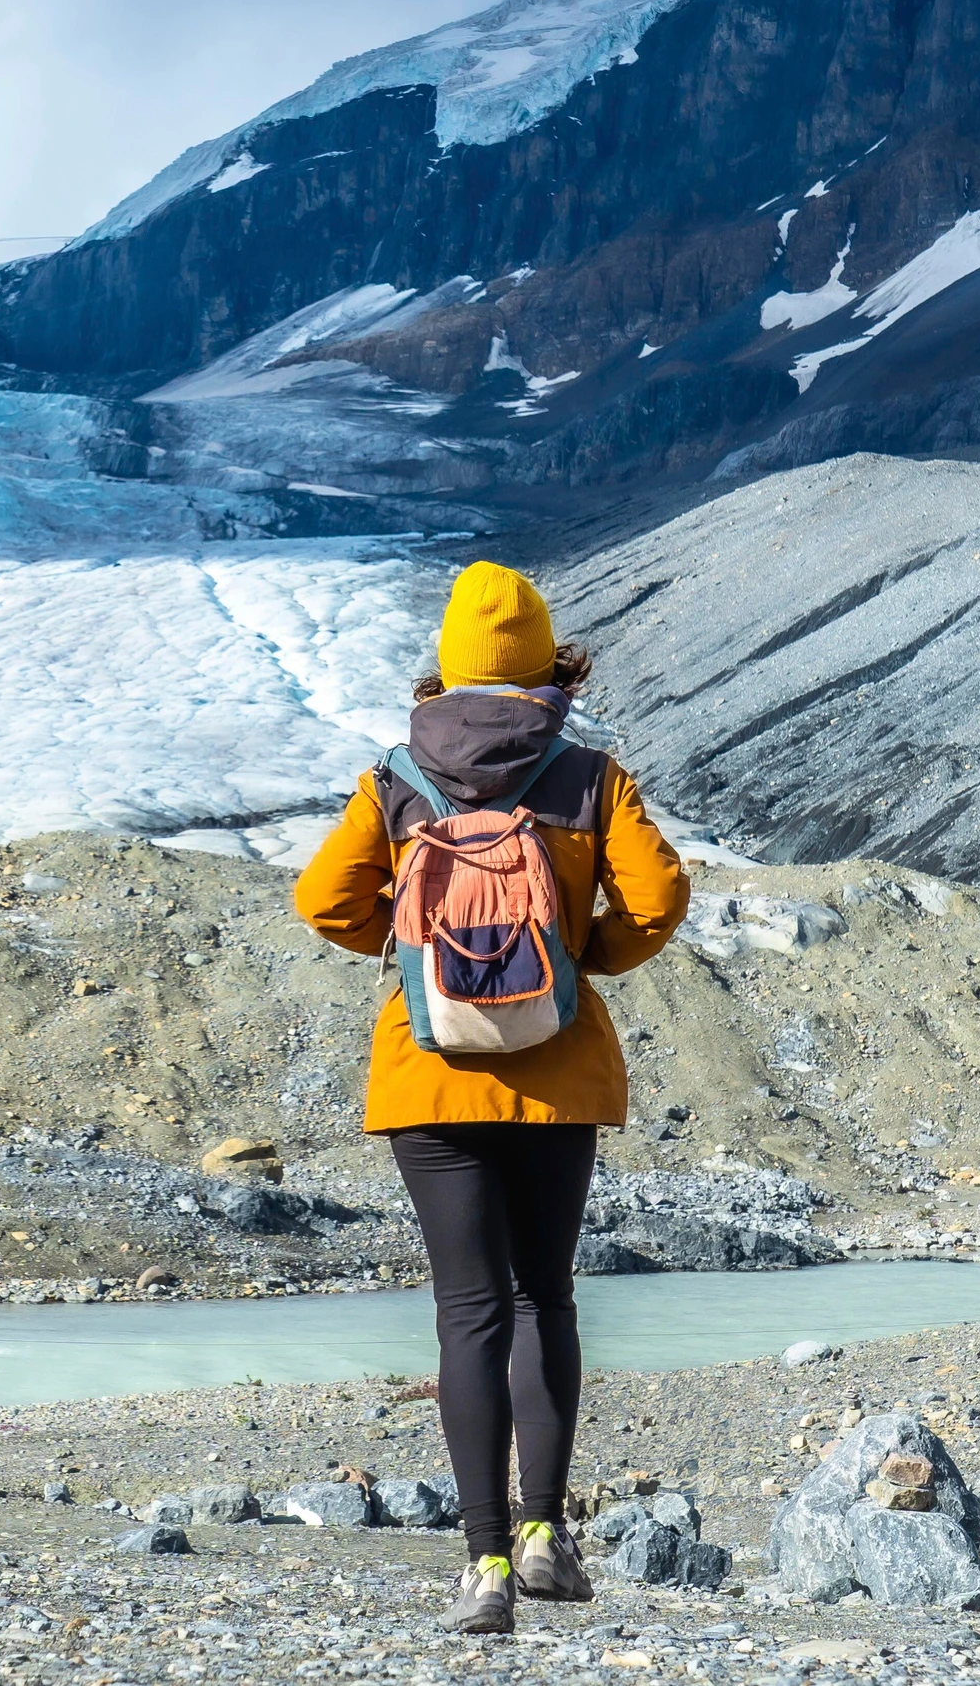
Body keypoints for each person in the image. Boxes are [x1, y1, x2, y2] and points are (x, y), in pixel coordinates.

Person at [293, 561, 690, 1635]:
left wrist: (417, 958)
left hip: (429, 1072)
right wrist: (574, 959)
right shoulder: (590, 775)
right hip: (556, 1071)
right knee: (541, 1298)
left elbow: (323, 899)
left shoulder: (394, 778)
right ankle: (547, 1533)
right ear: (545, 660)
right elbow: (661, 896)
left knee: (466, 1310)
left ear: (450, 665)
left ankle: (483, 1567)